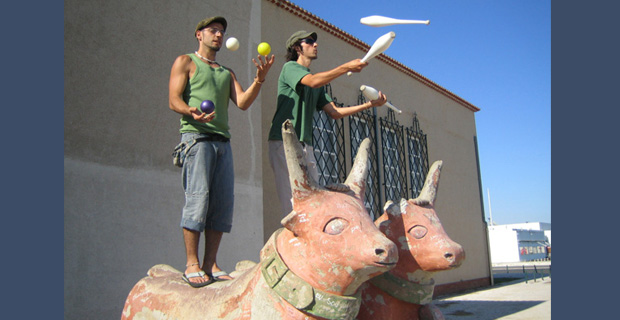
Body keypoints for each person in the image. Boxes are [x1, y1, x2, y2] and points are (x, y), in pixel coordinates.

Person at [169, 16, 275, 287]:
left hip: (222, 142)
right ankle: (191, 263)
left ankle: (210, 264)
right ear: (199, 34)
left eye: (221, 32)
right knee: (198, 200)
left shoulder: (226, 72)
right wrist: (190, 110)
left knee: (222, 205)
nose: (218, 35)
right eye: (213, 31)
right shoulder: (186, 62)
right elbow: (174, 100)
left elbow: (242, 102)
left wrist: (259, 81)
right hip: (196, 139)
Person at [268, 30, 387, 216]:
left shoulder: (317, 82)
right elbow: (312, 81)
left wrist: (371, 104)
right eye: (309, 41)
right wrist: (345, 67)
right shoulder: (290, 68)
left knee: (314, 203)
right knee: (294, 205)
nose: (315, 44)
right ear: (297, 48)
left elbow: (335, 112)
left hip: (306, 145)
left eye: (315, 42)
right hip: (284, 143)